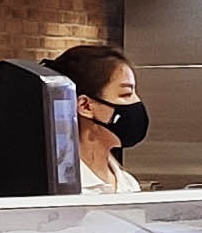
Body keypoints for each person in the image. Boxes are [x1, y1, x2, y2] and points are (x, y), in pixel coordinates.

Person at [50, 42, 147, 195]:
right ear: (86, 106)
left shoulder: (129, 184)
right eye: (126, 94)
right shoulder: (61, 191)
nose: (136, 103)